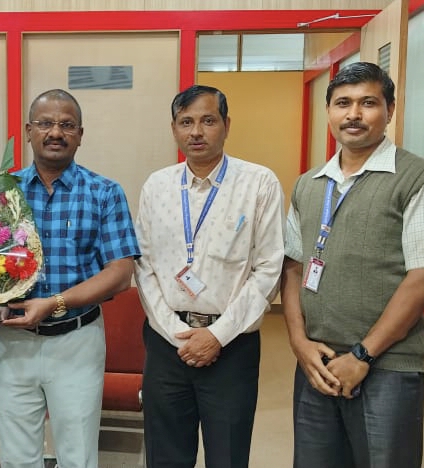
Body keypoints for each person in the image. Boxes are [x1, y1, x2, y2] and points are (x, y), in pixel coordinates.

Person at [281, 61, 424, 468]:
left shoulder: (420, 178)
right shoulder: (309, 184)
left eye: (368, 103)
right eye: (343, 103)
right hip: (317, 364)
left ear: (390, 110)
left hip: (386, 369)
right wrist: (299, 342)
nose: (353, 114)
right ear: (329, 111)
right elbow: (293, 268)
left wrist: (362, 355)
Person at [134, 84, 285, 468]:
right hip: (167, 345)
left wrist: (216, 336)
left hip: (232, 347)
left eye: (208, 121)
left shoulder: (259, 183)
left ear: (226, 125)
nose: (196, 132)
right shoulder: (157, 186)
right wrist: (176, 334)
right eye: (186, 122)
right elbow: (144, 266)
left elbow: (269, 267)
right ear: (174, 129)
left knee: (228, 456)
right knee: (165, 456)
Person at [0, 89, 140, 468]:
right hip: (12, 340)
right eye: (45, 123)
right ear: (29, 131)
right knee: (16, 459)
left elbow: (120, 273)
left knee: (77, 457)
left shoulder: (104, 193)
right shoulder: (1, 192)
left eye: (66, 125)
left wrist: (55, 303)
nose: (55, 132)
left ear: (80, 134)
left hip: (77, 340)